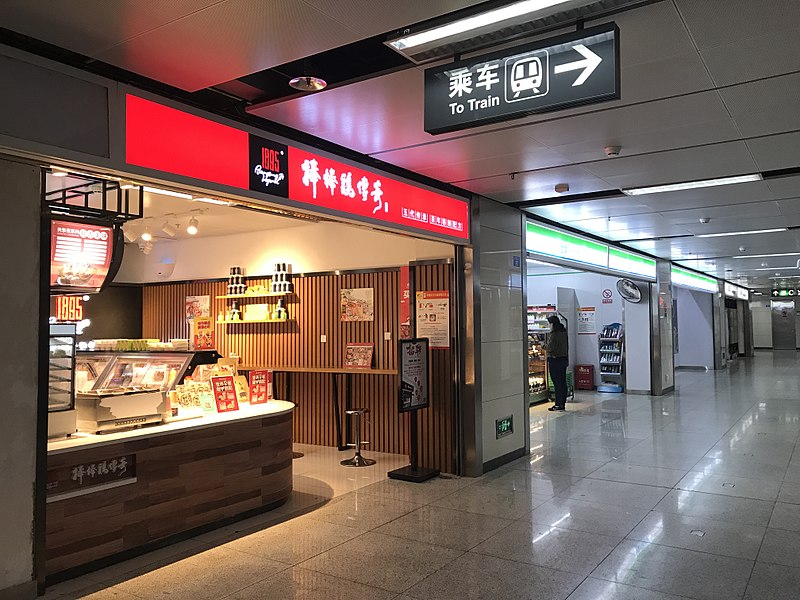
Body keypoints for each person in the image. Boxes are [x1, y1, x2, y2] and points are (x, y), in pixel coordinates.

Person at [546, 315, 569, 411]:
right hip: (563, 359)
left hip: (554, 360)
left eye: (549, 323)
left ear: (552, 324)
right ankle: (562, 403)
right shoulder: (564, 332)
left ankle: (558, 404)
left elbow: (550, 348)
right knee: (562, 382)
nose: (549, 325)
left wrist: (543, 345)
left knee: (557, 383)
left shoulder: (553, 334)